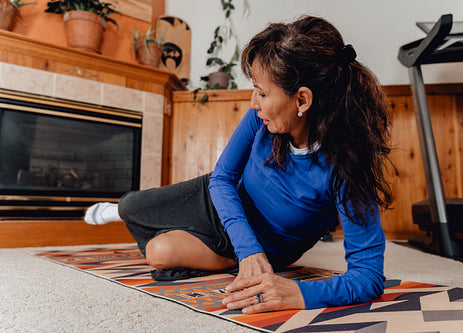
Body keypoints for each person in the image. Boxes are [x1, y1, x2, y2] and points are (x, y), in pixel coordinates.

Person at [84, 15, 393, 314]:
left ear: (302, 100)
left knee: (158, 252)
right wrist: (248, 251)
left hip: (269, 247)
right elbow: (221, 179)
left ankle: (225, 260)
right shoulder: (262, 118)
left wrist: (299, 292)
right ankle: (120, 211)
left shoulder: (347, 167)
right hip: (221, 201)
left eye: (262, 92)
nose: (253, 103)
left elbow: (368, 277)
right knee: (131, 206)